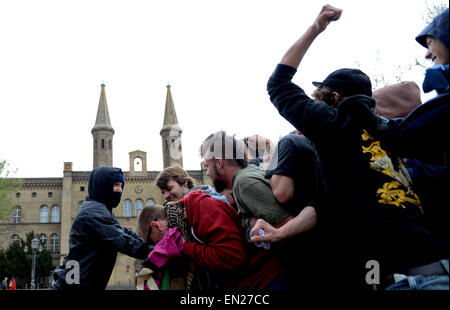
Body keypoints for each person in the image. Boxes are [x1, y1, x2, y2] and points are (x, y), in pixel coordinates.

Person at [266, 4, 447, 290]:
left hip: (400, 280)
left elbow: (278, 84)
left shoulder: (333, 124)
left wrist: (316, 28)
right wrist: (280, 233)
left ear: (334, 99)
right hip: (438, 269)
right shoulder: (394, 132)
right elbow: (324, 206)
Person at [137, 191, 284, 289]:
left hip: (265, 281)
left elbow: (232, 257)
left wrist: (185, 247)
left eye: (151, 242)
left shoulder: (201, 208)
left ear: (156, 226)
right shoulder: (186, 224)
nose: (155, 247)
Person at [52, 166, 154, 290]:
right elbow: (124, 241)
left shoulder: (100, 211)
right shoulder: (94, 213)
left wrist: (149, 240)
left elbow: (122, 231)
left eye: (121, 186)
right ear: (103, 185)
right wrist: (159, 251)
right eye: (116, 185)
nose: (120, 190)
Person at [155, 164, 227, 204]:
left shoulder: (207, 203)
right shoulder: (175, 212)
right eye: (163, 193)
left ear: (184, 183)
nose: (166, 196)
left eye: (169, 189)